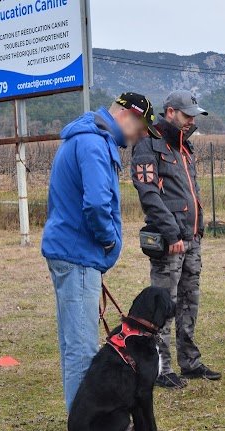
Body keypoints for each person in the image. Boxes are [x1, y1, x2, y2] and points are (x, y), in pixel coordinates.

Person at [42, 93, 161, 412]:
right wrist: (108, 241)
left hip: (69, 251)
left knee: (72, 343)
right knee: (81, 348)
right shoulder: (94, 143)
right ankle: (86, 426)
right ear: (126, 115)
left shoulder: (83, 138)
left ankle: (80, 419)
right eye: (140, 128)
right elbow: (96, 204)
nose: (139, 136)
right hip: (79, 255)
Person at [131, 90, 221, 389]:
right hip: (170, 241)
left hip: (191, 239)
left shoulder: (185, 147)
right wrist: (172, 234)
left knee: (188, 302)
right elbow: (149, 194)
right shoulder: (148, 144)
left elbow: (191, 193)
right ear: (170, 112)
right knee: (163, 306)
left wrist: (197, 228)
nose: (191, 120)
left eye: (194, 115)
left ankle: (190, 362)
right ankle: (161, 368)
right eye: (186, 115)